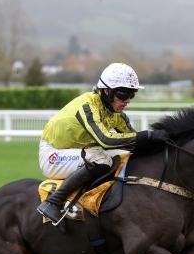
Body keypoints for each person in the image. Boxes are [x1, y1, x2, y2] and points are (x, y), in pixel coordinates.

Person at [36, 62, 168, 225]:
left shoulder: (116, 114)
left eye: (131, 95)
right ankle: (53, 202)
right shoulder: (87, 107)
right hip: (53, 155)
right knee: (101, 160)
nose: (127, 101)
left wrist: (163, 142)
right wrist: (146, 135)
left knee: (124, 156)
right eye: (123, 95)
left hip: (80, 150)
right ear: (107, 91)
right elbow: (106, 140)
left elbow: (132, 142)